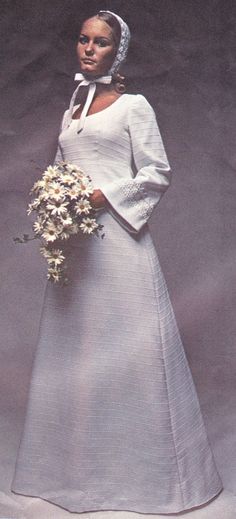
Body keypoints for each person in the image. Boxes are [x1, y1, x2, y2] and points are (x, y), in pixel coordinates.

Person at [11, 10, 223, 514]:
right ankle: (73, 477)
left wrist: (104, 197)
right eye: (83, 40)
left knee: (132, 356)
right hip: (76, 249)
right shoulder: (74, 107)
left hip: (121, 248)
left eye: (100, 42)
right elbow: (64, 170)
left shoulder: (134, 105)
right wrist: (52, 201)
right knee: (76, 357)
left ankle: (154, 483)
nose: (88, 49)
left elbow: (156, 172)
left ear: (117, 50)